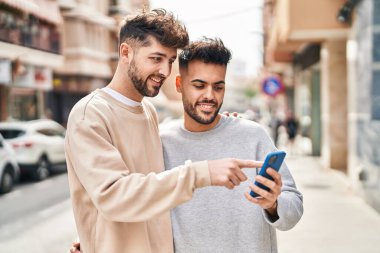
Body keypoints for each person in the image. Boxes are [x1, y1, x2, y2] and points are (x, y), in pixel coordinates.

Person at [65, 9, 260, 253]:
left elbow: (153, 188)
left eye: (170, 61)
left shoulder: (148, 112)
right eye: (156, 58)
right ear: (126, 52)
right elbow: (113, 196)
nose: (165, 72)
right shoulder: (90, 114)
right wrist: (202, 173)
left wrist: (221, 125)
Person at [159, 37, 303, 252]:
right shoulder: (161, 141)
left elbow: (294, 209)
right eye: (199, 85)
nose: (210, 96)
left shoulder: (253, 135)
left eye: (218, 87)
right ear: (180, 84)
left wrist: (273, 204)